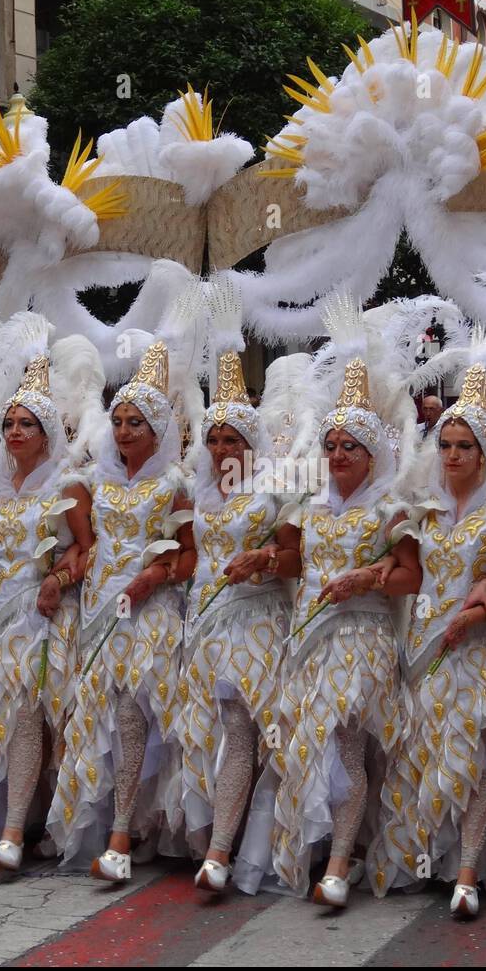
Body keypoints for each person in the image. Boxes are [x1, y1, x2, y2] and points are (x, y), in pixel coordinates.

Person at [372, 350, 486, 917]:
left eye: (464, 446)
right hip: (428, 647)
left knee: (477, 754)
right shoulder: (426, 510)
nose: (453, 455)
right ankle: (429, 860)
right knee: (422, 753)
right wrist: (381, 562)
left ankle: (467, 869)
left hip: (481, 650)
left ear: (485, 452)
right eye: (445, 445)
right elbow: (410, 576)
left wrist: (484, 610)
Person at [47, 341, 196, 880]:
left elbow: (188, 558)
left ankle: (121, 834)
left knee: (135, 714)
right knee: (99, 719)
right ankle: (127, 825)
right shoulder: (93, 483)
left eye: (137, 423)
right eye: (119, 421)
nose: (125, 431)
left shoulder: (176, 485)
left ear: (158, 431)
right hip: (101, 611)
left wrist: (156, 575)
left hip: (151, 612)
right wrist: (59, 577)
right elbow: (82, 549)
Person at [270, 355, 410, 908]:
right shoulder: (309, 507)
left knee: (347, 742)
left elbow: (410, 576)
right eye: (330, 446)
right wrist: (264, 557)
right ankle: (334, 849)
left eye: (349, 447)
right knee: (311, 742)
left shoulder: (392, 509)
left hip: (363, 638)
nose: (336, 456)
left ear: (372, 455)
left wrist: (371, 576)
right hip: (311, 638)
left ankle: (337, 862)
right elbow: (293, 566)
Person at [0, 346, 90, 870]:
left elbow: (86, 546)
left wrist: (57, 577)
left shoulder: (68, 484)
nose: (14, 432)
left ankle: (13, 830)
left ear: (47, 434)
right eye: (8, 423)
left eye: (26, 424)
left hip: (43, 613)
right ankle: (10, 822)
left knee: (30, 713)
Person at [178, 351, 294, 892]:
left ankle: (228, 851)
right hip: (204, 624)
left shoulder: (277, 488)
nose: (222, 449)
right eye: (215, 439)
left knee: (249, 731)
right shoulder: (199, 490)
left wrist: (265, 559)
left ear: (253, 442)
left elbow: (300, 561)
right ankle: (217, 845)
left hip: (259, 621)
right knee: (217, 731)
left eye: (233, 439)